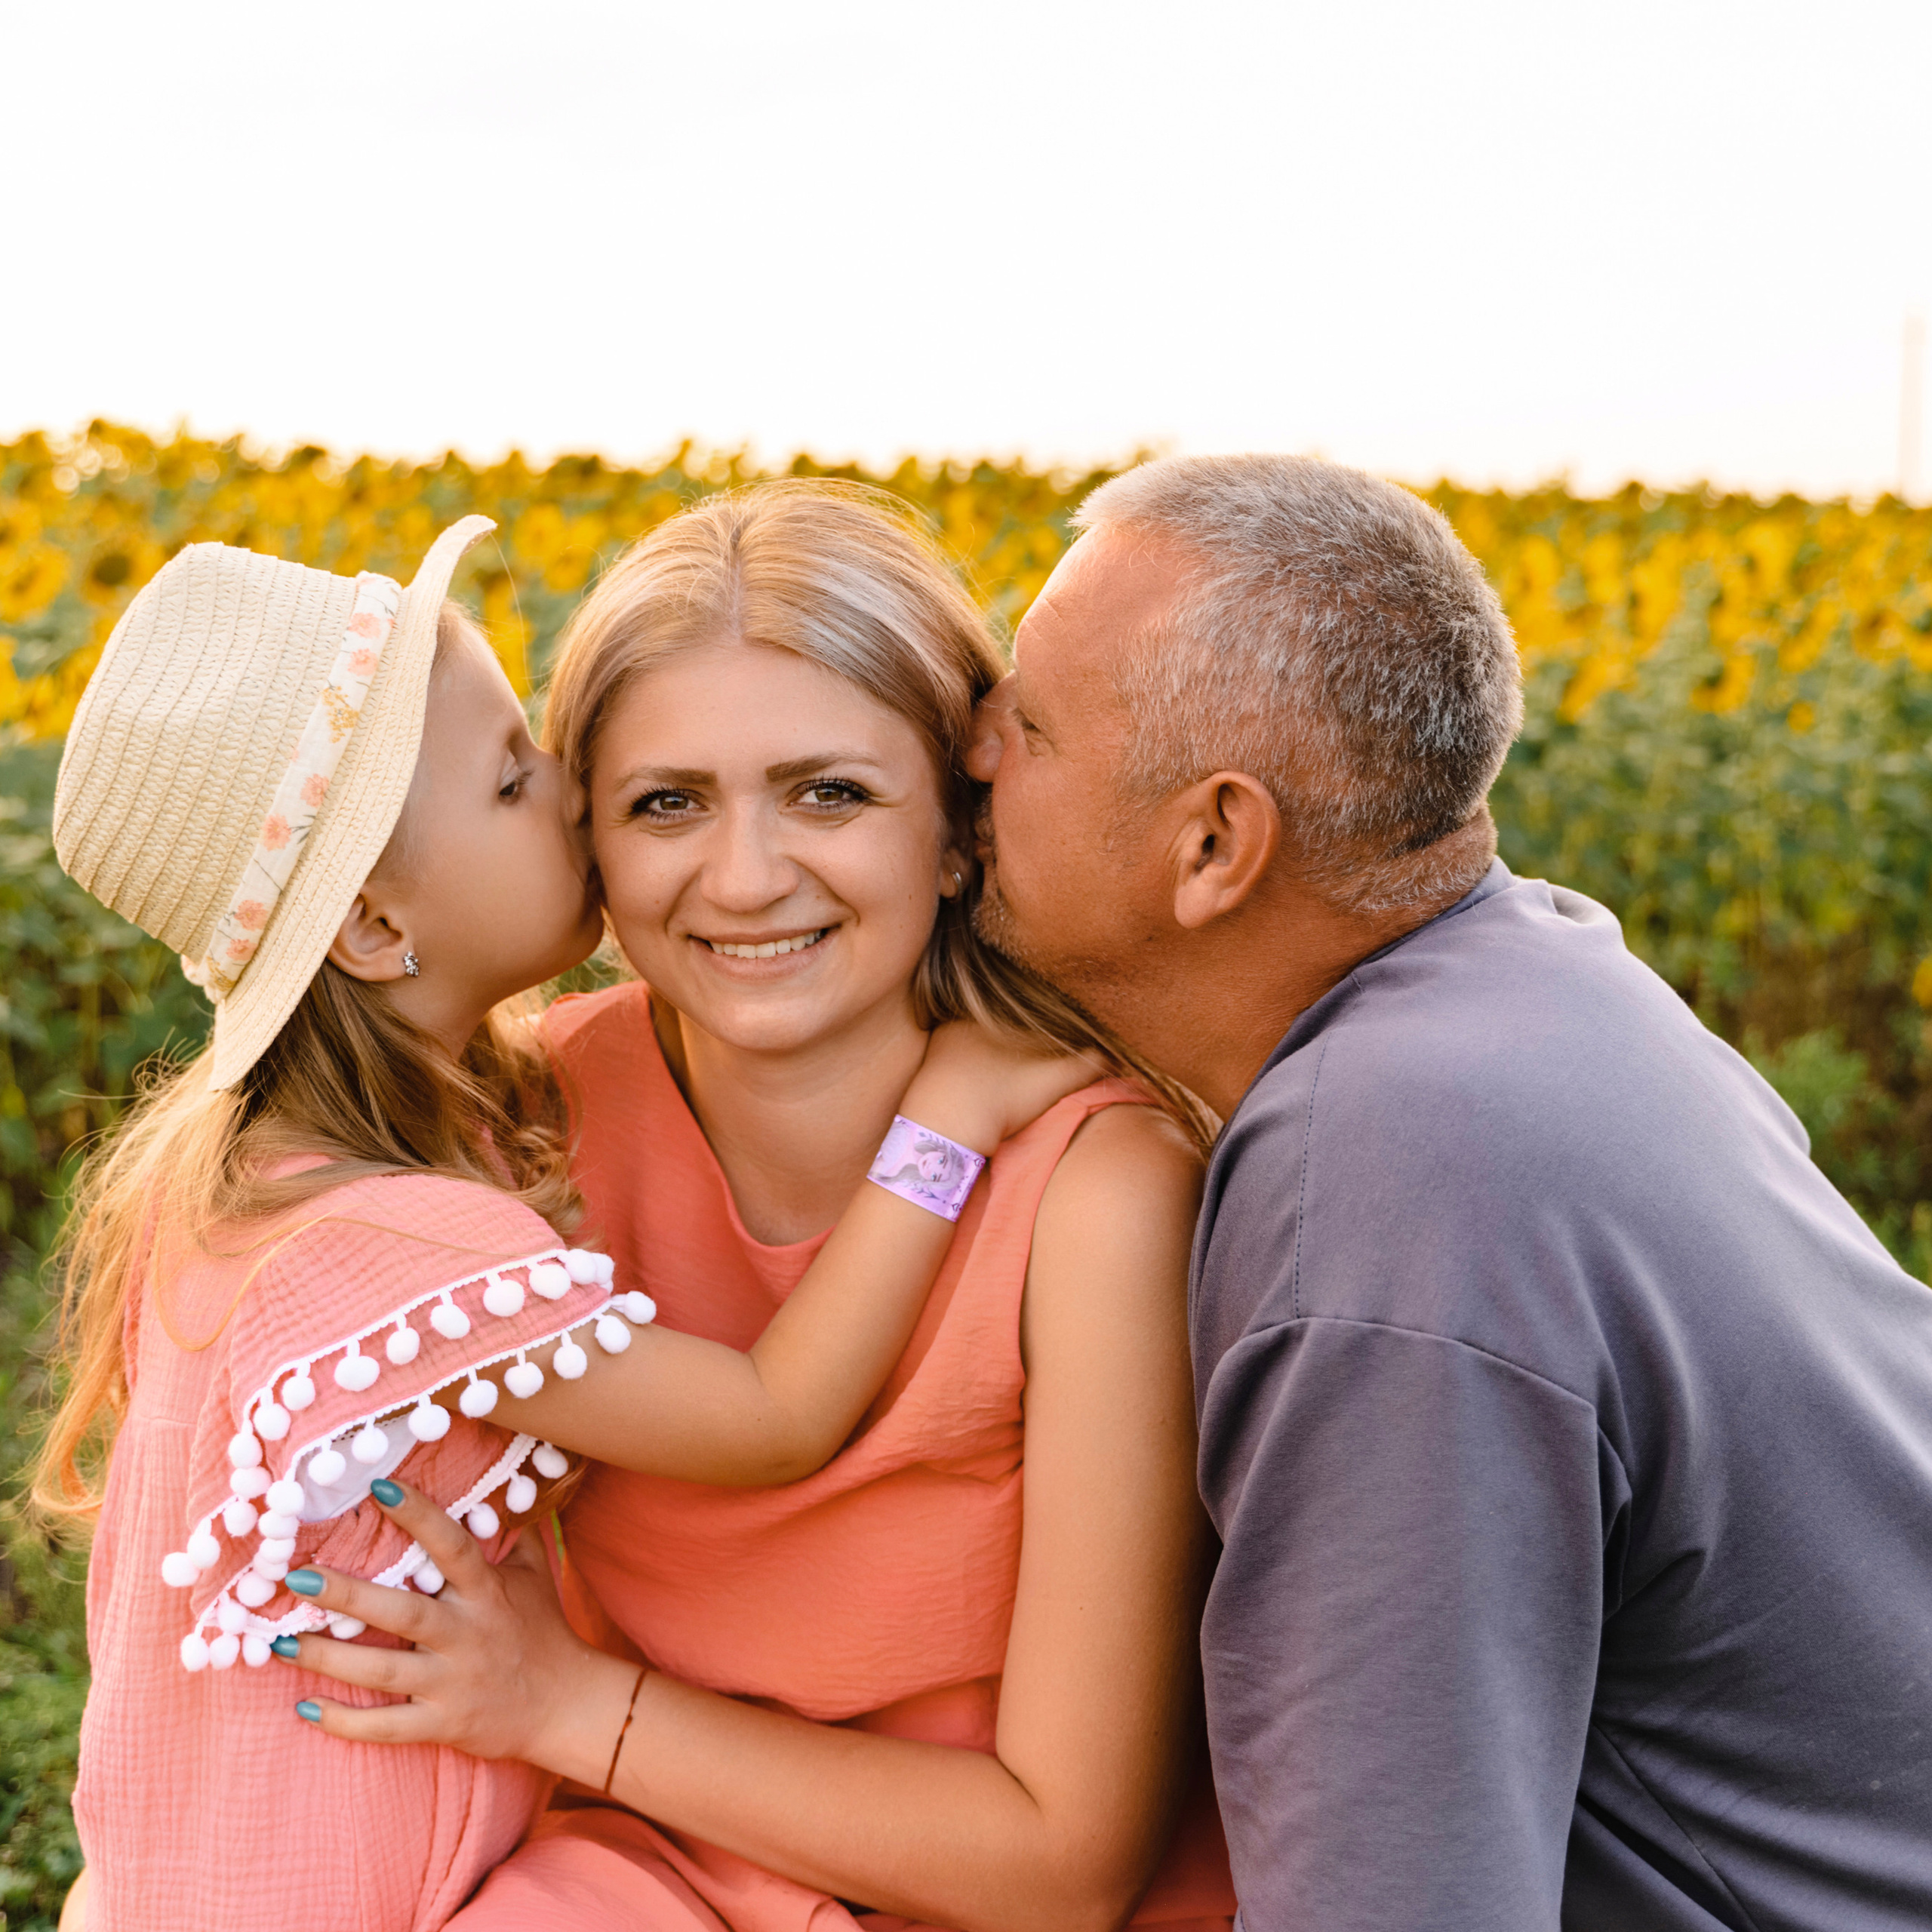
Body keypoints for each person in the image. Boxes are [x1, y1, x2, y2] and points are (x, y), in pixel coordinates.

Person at [42, 517, 1090, 1932]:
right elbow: (775, 1417)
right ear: (367, 929)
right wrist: (944, 1124)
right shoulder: (413, 1225)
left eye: (829, 790)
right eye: (521, 779)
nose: (571, 804)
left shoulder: (265, 1186)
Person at [963, 452, 1932, 1929]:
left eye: (1026, 724)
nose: (967, 749)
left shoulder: (1386, 1193)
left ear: (1212, 842)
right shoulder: (1533, 977)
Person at [285, 481, 1239, 1932]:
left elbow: (1062, 1867)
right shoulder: (528, 1122)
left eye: (831, 793)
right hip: (627, 1868)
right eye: (667, 804)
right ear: (587, 842)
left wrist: (567, 1705)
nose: (744, 878)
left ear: (960, 827)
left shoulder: (1095, 1195)